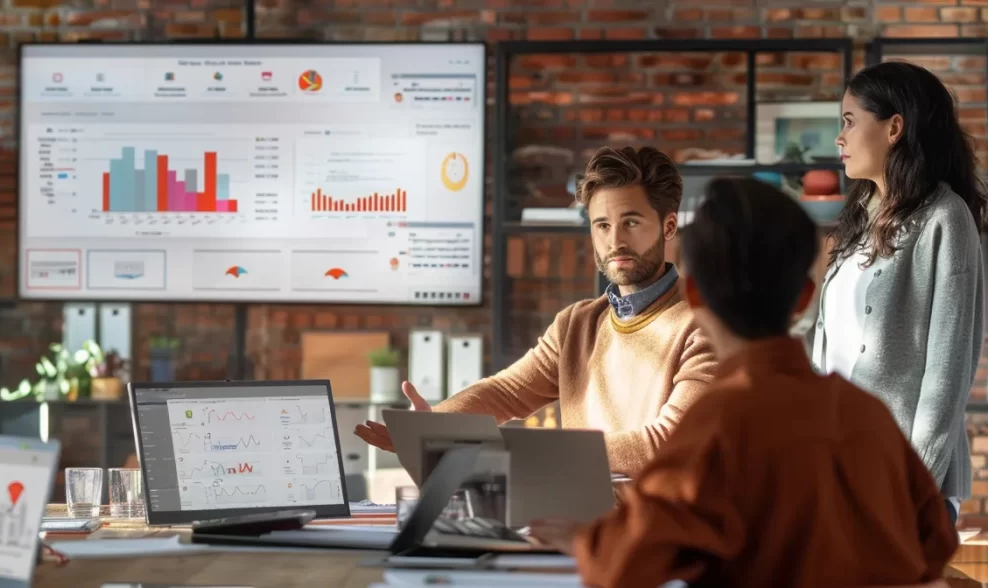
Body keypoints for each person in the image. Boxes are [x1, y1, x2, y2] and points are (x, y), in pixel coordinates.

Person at [528, 177, 958, 587]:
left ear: (693, 295)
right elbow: (936, 544)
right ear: (805, 299)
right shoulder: (868, 415)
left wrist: (585, 542)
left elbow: (625, 562)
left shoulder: (715, 426)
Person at [355, 146, 717, 475]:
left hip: (654, 532)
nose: (615, 241)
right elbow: (507, 391)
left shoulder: (704, 328)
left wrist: (518, 449)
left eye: (631, 223)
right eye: (602, 226)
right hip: (574, 520)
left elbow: (665, 444)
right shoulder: (577, 323)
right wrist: (432, 427)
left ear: (668, 226)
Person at [805, 61, 988, 522]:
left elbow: (946, 376)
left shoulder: (947, 219)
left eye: (849, 121)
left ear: (894, 128)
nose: (839, 139)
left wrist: (913, 491)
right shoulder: (860, 221)